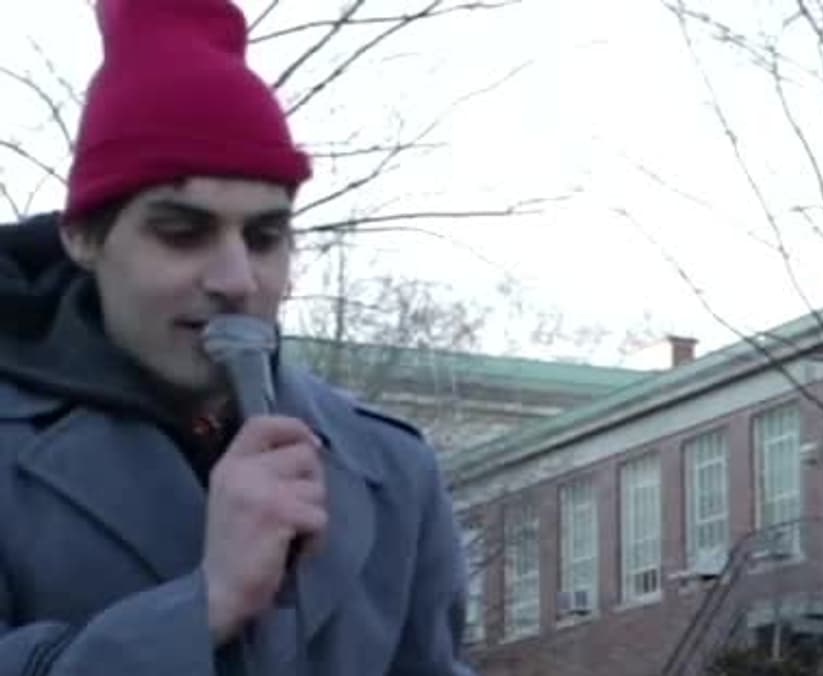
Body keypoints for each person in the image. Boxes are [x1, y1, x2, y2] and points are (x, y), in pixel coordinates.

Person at [0, 0, 474, 673]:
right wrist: (204, 605)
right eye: (182, 233)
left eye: (265, 236)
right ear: (82, 237)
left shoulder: (393, 472)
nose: (236, 279)